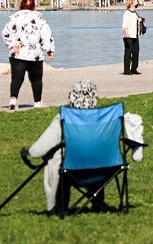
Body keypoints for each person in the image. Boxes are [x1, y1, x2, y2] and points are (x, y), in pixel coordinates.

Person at [22, 80, 144, 215]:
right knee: (96, 159)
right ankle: (99, 205)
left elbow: (38, 151)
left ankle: (61, 207)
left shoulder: (63, 118)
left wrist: (28, 152)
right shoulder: (106, 119)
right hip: (107, 169)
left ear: (71, 97)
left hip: (72, 171)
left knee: (61, 164)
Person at [3, 0, 55, 110]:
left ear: (21, 5)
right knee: (36, 79)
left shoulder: (14, 17)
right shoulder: (39, 18)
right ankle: (37, 102)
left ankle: (13, 98)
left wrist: (13, 44)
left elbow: (6, 32)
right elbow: (46, 35)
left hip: (18, 53)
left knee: (17, 78)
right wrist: (49, 49)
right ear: (33, 6)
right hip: (35, 54)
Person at [121, 0, 143, 75]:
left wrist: (140, 20)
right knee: (128, 53)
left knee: (136, 52)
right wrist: (126, 33)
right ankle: (126, 70)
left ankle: (134, 68)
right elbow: (124, 25)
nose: (137, 2)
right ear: (131, 4)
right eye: (135, 1)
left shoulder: (135, 13)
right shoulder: (127, 13)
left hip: (135, 35)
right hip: (128, 36)